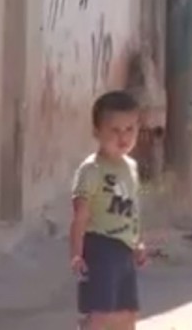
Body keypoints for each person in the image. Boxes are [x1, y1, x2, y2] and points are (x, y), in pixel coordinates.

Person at [70, 91, 147, 330]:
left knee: (127, 314)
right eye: (114, 130)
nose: (123, 137)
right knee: (101, 314)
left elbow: (133, 210)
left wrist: (137, 243)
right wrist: (76, 252)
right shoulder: (91, 170)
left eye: (130, 129)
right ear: (97, 131)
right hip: (100, 247)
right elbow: (80, 216)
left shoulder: (131, 167)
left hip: (124, 250)